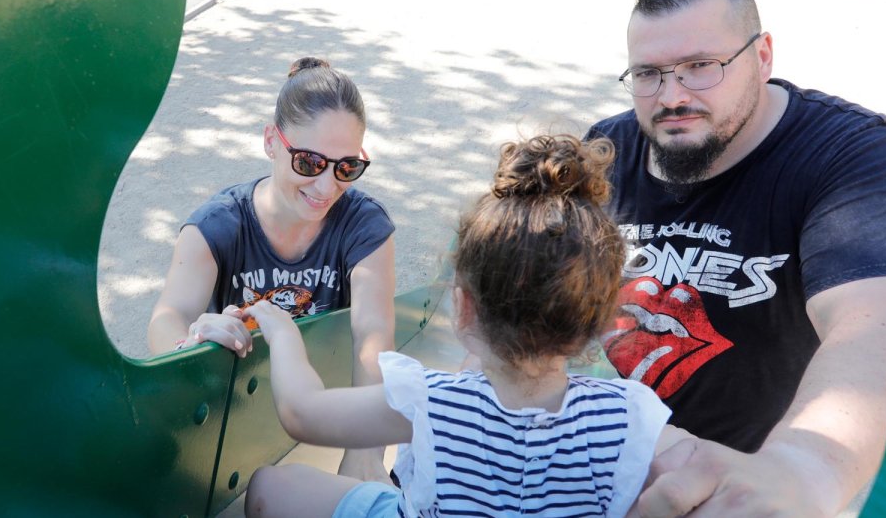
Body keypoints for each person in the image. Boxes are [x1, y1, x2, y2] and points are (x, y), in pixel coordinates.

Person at [588, 0, 886, 516]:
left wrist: (800, 470)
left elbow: (873, 324)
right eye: (649, 73)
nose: (671, 96)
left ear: (762, 57)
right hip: (602, 461)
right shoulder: (607, 149)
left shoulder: (851, 157)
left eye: (700, 67)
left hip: (746, 484)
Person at [242, 134, 692, 518]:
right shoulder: (631, 413)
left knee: (270, 486)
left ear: (462, 308)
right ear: (597, 324)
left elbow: (302, 412)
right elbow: (705, 467)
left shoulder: (429, 400)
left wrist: (282, 331)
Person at [147, 57, 397, 482]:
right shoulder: (216, 227)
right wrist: (188, 341)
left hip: (316, 412)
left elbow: (372, 341)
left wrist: (365, 455)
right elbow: (167, 317)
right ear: (270, 141)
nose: (326, 187)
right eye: (308, 162)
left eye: (346, 167)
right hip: (229, 417)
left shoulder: (365, 228)